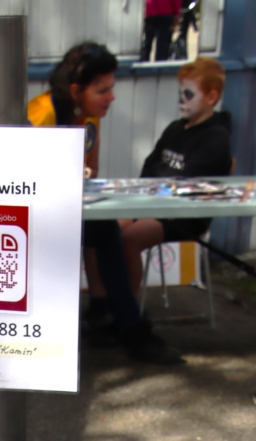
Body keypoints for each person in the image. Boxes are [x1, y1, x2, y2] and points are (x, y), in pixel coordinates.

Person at [28, 42, 182, 365]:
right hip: (26, 220)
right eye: (102, 90)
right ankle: (125, 326)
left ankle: (111, 318)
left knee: (105, 229)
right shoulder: (41, 114)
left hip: (58, 209)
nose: (111, 97)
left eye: (111, 88)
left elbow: (91, 169)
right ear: (75, 90)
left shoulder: (89, 115)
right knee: (105, 231)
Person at [121, 57, 232, 296]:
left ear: (211, 97)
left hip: (185, 215)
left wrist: (156, 184)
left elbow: (187, 184)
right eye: (180, 93)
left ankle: (127, 308)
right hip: (153, 203)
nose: (181, 100)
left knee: (128, 239)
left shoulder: (216, 138)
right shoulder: (175, 128)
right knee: (107, 231)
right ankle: (104, 302)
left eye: (189, 94)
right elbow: (149, 166)